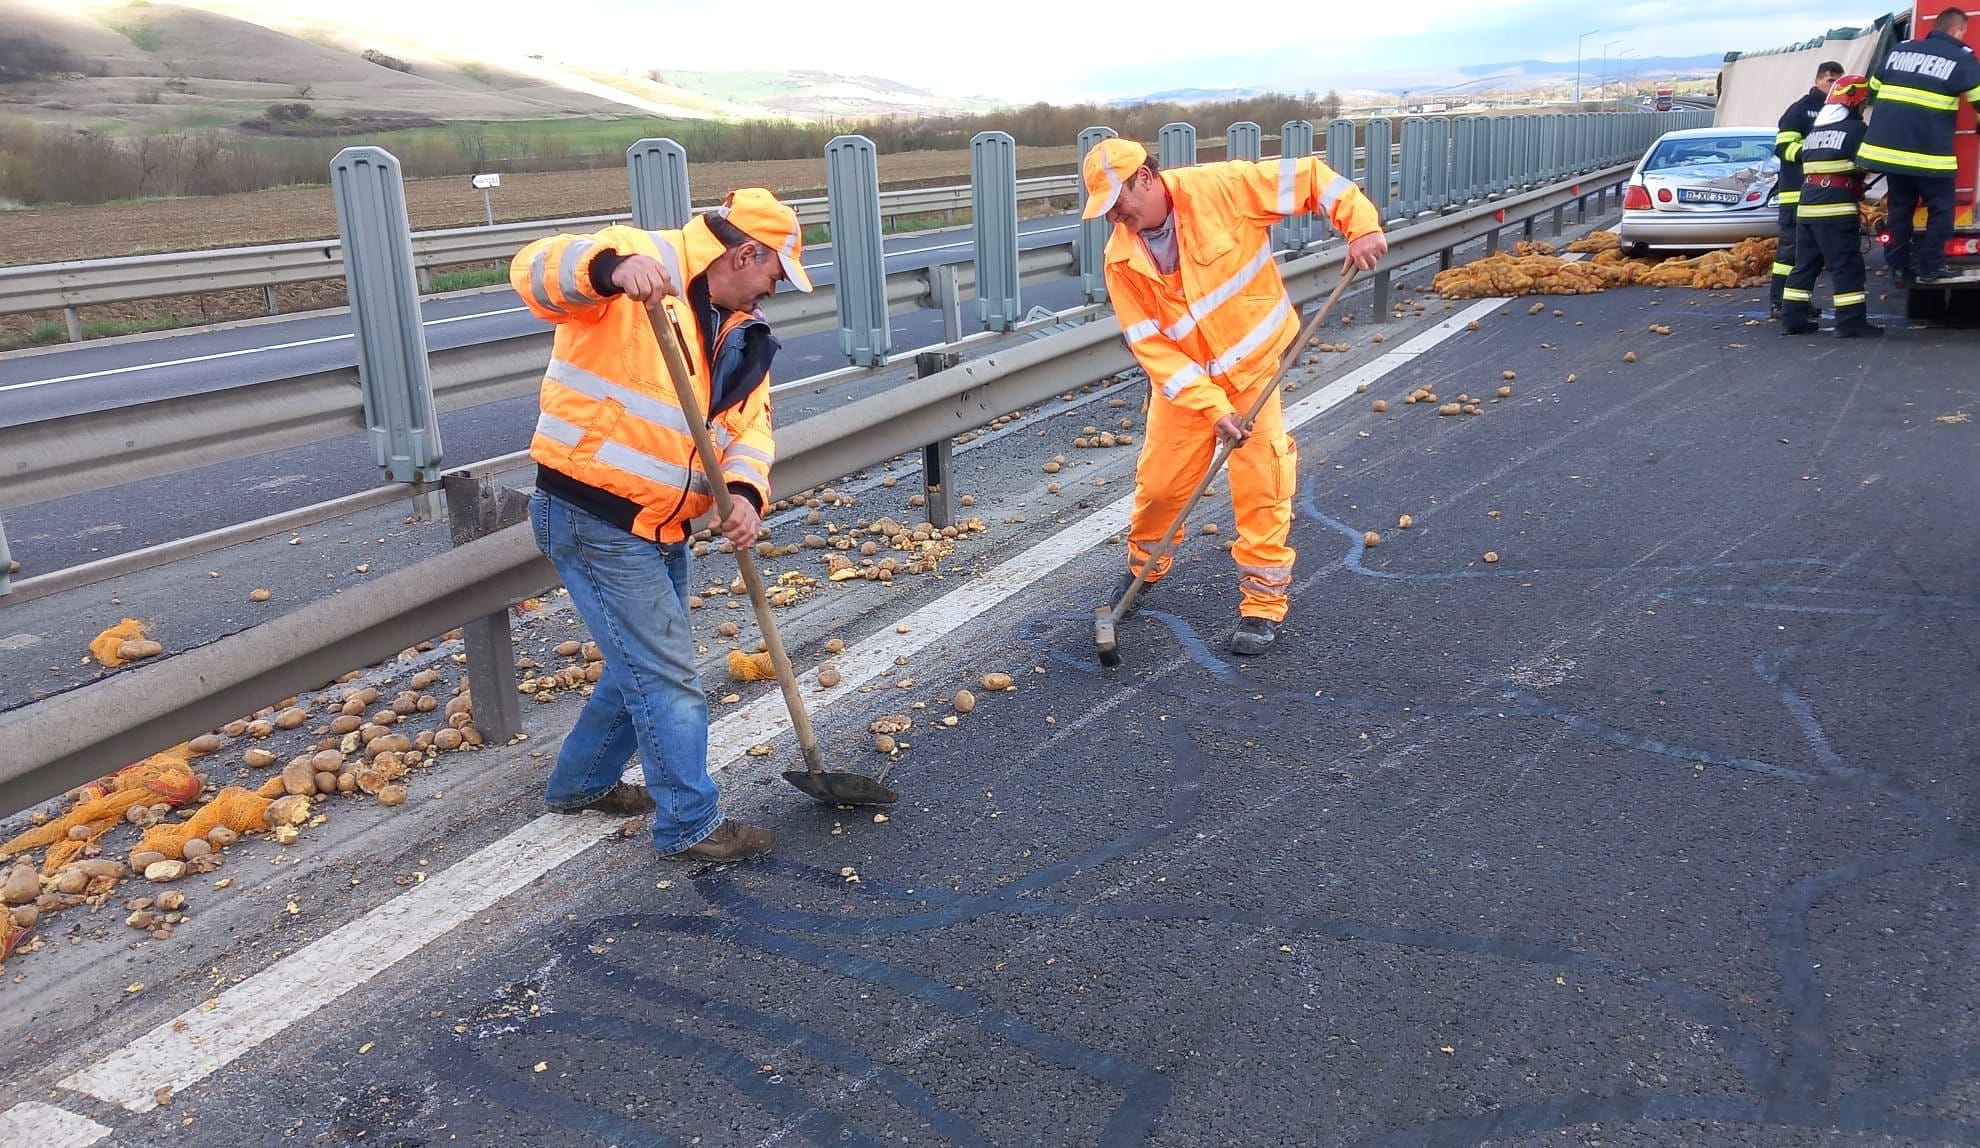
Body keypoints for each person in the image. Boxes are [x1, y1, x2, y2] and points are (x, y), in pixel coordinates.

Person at [508, 187, 813, 863]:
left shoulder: (742, 332)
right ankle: (690, 824)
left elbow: (751, 430)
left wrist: (741, 494)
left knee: (638, 665)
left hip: (660, 522)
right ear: (746, 253)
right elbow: (533, 267)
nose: (774, 290)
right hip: (592, 513)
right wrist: (607, 268)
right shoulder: (643, 261)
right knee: (667, 676)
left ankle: (581, 783)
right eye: (774, 274)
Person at [1082, 137, 1388, 656]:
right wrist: (1212, 407)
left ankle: (1262, 606)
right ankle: (1144, 571)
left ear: (1147, 179)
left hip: (1251, 373)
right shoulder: (1120, 258)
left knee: (1261, 481)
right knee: (1159, 488)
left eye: (1120, 201)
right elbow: (1151, 345)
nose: (1116, 215)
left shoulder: (1222, 188)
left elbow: (1311, 178)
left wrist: (1359, 224)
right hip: (1187, 392)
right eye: (1107, 209)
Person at [1859, 6, 1980, 286]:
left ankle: (1899, 268)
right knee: (1942, 208)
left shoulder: (1900, 50)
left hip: (1889, 154)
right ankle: (1930, 267)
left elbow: (1873, 88)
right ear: (1957, 30)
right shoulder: (1962, 59)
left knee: (1901, 211)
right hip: (1928, 155)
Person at [1782, 75, 1881, 338]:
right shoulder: (1856, 130)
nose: (1863, 108)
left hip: (1807, 209)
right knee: (1846, 266)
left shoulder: (1816, 132)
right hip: (1835, 209)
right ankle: (1851, 323)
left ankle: (1792, 320)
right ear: (1852, 103)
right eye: (1862, 103)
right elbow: (1869, 162)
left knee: (1804, 266)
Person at [1771, 60, 1846, 314]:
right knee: (1789, 253)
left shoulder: (1839, 111)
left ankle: (1798, 304)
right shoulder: (1801, 111)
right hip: (1796, 194)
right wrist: (1816, 152)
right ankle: (1779, 303)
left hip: (1823, 195)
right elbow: (1783, 148)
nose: (1833, 86)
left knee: (1809, 257)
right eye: (1829, 81)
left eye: (1838, 82)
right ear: (1817, 80)